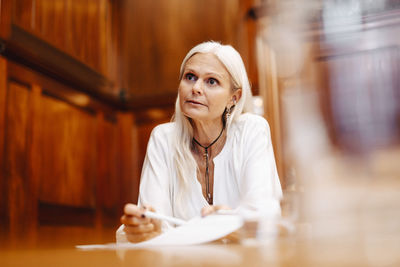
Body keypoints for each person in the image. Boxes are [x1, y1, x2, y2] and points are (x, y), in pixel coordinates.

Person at [117, 41, 282, 243]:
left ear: (234, 98)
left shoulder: (252, 130)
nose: (195, 88)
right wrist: (144, 228)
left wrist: (233, 224)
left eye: (211, 81)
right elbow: (153, 220)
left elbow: (262, 217)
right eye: (190, 77)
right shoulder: (163, 138)